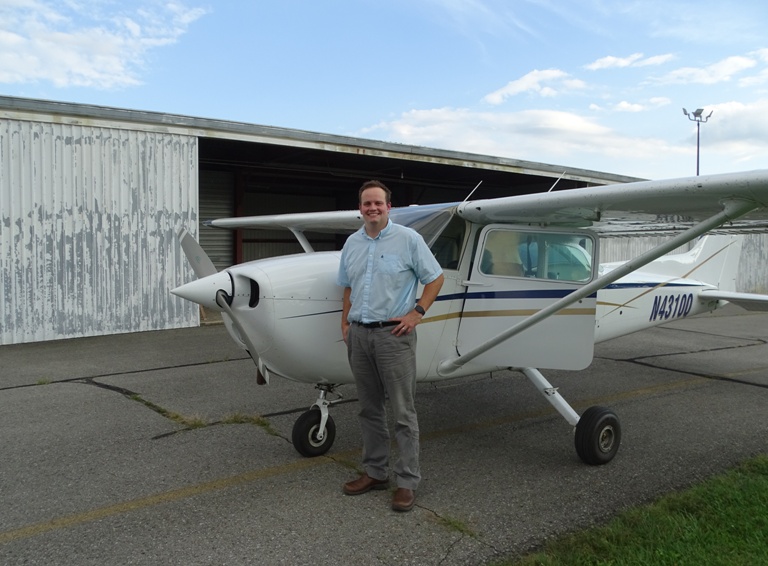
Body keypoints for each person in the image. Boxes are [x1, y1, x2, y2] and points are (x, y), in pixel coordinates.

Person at [337, 179, 444, 513]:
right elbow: (347, 287)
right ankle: (375, 472)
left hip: (393, 336)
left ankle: (407, 481)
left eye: (378, 204)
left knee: (402, 412)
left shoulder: (409, 239)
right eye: (367, 204)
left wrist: (417, 313)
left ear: (388, 207)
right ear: (360, 208)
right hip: (360, 335)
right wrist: (345, 322)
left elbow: (435, 277)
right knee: (368, 409)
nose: (372, 209)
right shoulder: (352, 243)